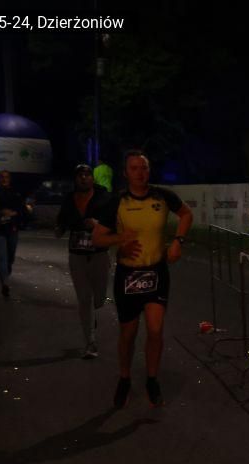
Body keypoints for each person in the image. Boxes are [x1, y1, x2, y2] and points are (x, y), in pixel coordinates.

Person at [91, 150, 192, 407]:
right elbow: (98, 237)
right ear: (125, 173)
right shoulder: (117, 201)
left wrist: (178, 242)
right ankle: (124, 378)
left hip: (156, 272)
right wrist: (120, 240)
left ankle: (152, 379)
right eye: (134, 168)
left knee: (155, 330)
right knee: (128, 334)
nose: (140, 173)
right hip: (129, 275)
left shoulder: (162, 196)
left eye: (144, 167)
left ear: (149, 170)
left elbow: (186, 214)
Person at [55, 164, 112, 358]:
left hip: (99, 254)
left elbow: (115, 222)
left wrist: (98, 224)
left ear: (92, 178)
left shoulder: (104, 198)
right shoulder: (69, 199)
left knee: (99, 299)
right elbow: (61, 221)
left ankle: (92, 316)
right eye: (80, 175)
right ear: (75, 179)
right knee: (84, 299)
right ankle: (90, 342)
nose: (84, 178)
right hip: (77, 255)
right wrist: (59, 229)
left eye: (87, 174)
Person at [0, 170, 30, 298]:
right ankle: (5, 284)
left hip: (12, 230)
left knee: (10, 258)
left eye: (6, 177)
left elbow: (23, 211)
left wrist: (13, 214)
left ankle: (6, 273)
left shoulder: (16, 194)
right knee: (2, 257)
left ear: (10, 179)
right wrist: (0, 214)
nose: (4, 179)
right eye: (2, 177)